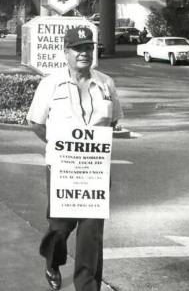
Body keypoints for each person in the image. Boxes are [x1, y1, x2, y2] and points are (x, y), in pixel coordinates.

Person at [27, 26, 123, 291]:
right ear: (66, 52)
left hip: (95, 169)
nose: (84, 53)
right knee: (60, 225)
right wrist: (60, 147)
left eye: (88, 48)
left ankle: (87, 286)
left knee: (91, 231)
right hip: (61, 166)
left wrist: (91, 148)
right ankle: (52, 260)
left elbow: (113, 121)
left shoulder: (106, 83)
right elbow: (35, 122)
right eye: (77, 48)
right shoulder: (51, 84)